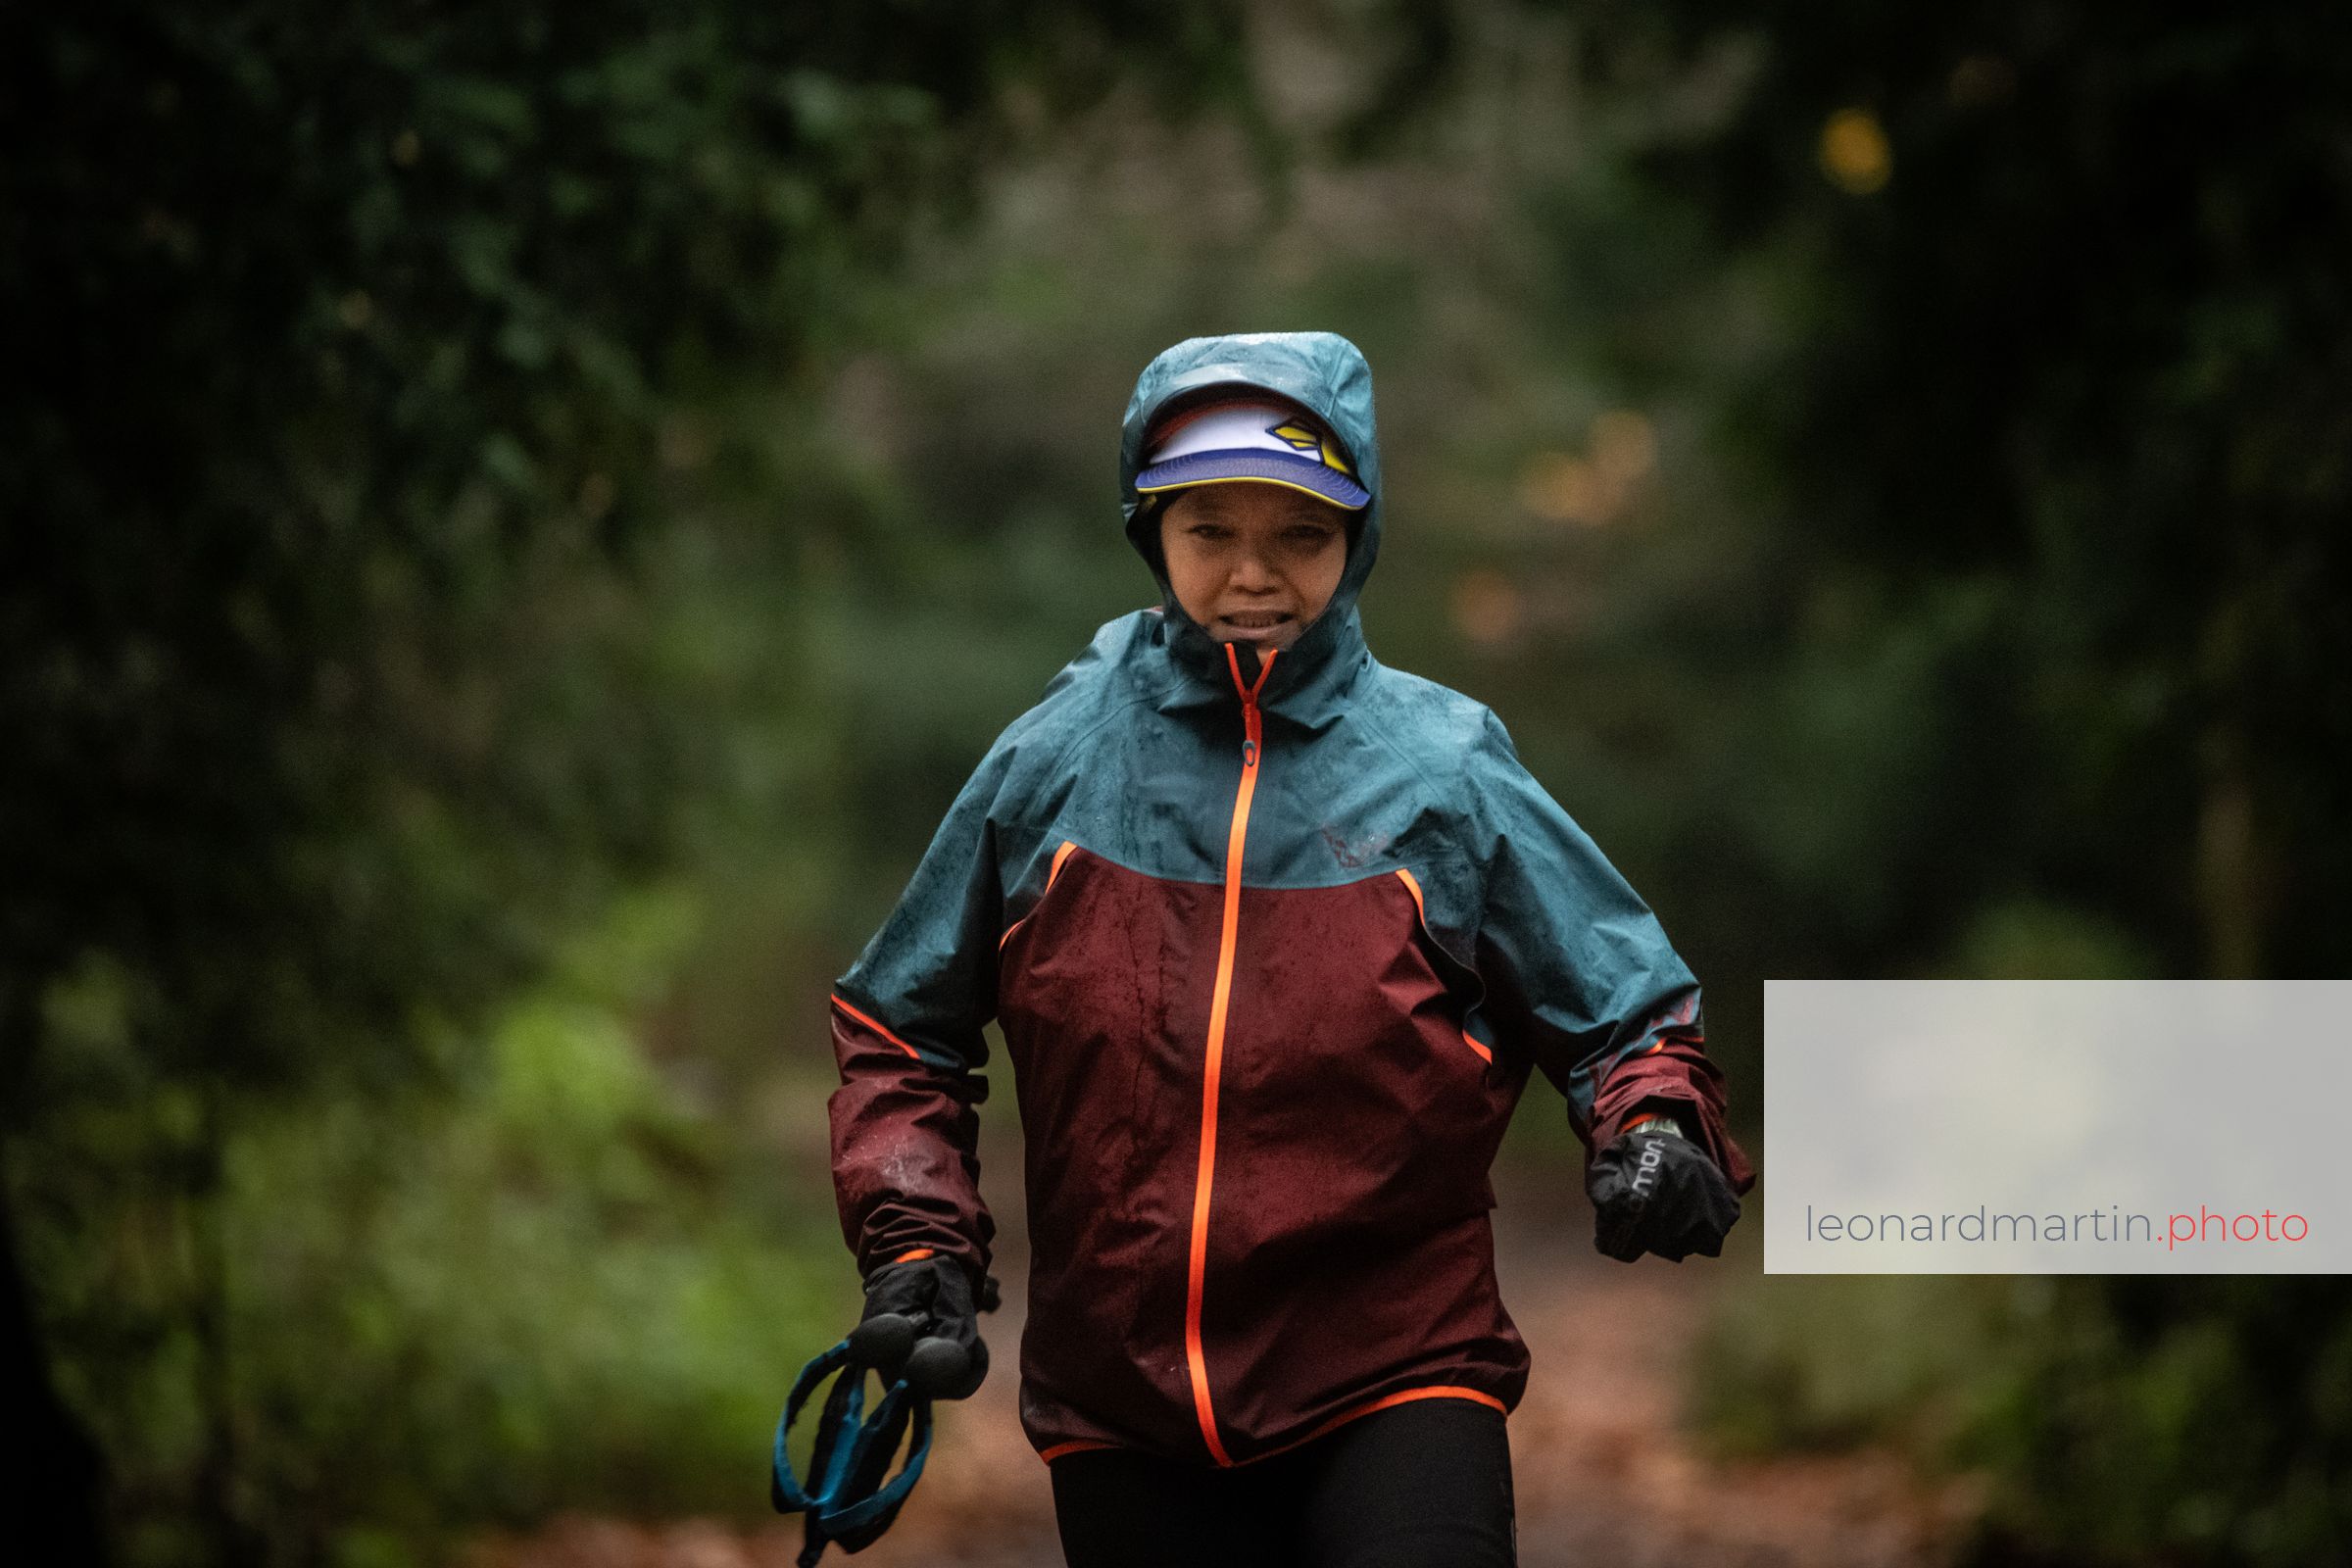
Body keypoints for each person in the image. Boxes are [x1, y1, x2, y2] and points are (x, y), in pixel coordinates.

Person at [823, 330, 1754, 1567]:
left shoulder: (1445, 769)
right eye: (1210, 530)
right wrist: (918, 1241)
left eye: (1301, 534)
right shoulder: (1055, 761)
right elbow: (901, 1026)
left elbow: (1625, 1008)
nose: (1253, 574)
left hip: (1398, 1368)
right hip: (1122, 1400)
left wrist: (1656, 1126)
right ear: (1151, 529)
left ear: (1354, 540)